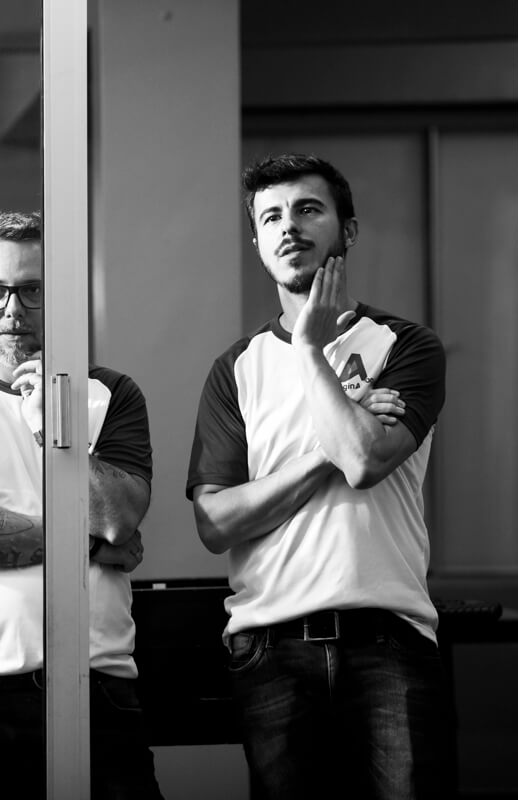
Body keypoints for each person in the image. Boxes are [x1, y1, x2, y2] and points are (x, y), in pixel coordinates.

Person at [185, 153, 456, 799]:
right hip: (270, 650)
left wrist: (309, 348)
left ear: (348, 230)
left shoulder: (406, 346)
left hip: (389, 640)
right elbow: (215, 524)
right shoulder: (236, 368)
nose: (289, 226)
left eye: (308, 209)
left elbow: (364, 461)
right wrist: (325, 447)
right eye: (271, 217)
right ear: (257, 242)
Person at [0, 210, 164, 799]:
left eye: (32, 290)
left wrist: (51, 427)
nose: (12, 309)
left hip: (98, 681)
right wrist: (89, 545)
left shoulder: (111, 394)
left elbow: (119, 516)